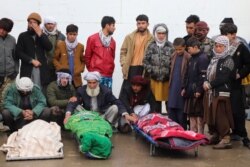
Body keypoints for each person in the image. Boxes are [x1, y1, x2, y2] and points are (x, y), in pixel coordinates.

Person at [220, 23, 250, 148]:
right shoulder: (219, 47)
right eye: (228, 34)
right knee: (223, 111)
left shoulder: (241, 47)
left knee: (238, 111)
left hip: (236, 85)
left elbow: (248, 64)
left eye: (233, 34)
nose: (233, 36)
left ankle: (243, 136)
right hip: (221, 85)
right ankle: (225, 135)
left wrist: (240, 75)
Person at [203, 36, 235, 149]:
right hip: (211, 93)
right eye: (216, 46)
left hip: (222, 93)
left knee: (220, 116)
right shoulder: (214, 59)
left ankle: (226, 138)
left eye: (220, 46)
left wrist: (210, 84)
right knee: (211, 115)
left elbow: (224, 77)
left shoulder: (229, 59)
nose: (217, 48)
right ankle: (216, 135)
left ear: (226, 47)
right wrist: (206, 81)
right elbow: (208, 73)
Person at [16, 12, 52, 93]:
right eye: (30, 22)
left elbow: (49, 47)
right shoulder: (23, 36)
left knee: (40, 89)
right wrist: (31, 60)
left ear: (38, 24)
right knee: (26, 89)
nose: (31, 24)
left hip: (41, 68)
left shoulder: (43, 35)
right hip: (27, 67)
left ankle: (40, 105)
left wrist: (40, 34)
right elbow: (18, 52)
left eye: (34, 22)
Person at [119, 14, 153, 95]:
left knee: (143, 92)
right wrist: (124, 63)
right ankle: (125, 107)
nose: (141, 25)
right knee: (127, 91)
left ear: (148, 24)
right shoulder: (129, 37)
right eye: (139, 23)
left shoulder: (152, 39)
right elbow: (123, 51)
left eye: (143, 23)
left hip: (144, 68)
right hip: (131, 67)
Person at [182, 37, 209, 134]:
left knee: (199, 114)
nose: (187, 51)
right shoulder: (191, 58)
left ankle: (200, 135)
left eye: (189, 48)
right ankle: (193, 134)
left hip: (198, 93)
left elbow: (203, 76)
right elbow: (187, 74)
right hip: (190, 91)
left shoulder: (203, 58)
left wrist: (199, 90)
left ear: (195, 47)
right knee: (191, 114)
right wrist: (184, 88)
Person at [143, 23, 173, 113]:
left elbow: (174, 61)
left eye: (163, 33)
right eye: (159, 33)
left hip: (167, 80)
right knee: (156, 102)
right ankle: (157, 122)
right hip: (154, 79)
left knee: (169, 102)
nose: (161, 36)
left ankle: (171, 123)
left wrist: (170, 72)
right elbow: (145, 61)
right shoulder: (151, 45)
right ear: (155, 33)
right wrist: (151, 71)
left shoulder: (171, 46)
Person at [85, 16, 116, 89]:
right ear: (107, 25)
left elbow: (112, 57)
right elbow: (87, 56)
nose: (114, 28)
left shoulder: (113, 42)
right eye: (113, 25)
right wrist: (92, 71)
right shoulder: (92, 38)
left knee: (106, 98)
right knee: (94, 98)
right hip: (95, 75)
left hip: (108, 75)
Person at [168, 38, 190, 129]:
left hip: (181, 87)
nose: (178, 51)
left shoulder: (188, 57)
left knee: (181, 110)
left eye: (180, 49)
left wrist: (185, 87)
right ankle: (173, 130)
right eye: (176, 49)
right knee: (171, 108)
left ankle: (182, 130)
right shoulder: (173, 56)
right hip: (173, 86)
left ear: (185, 47)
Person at [53, 24, 85, 88]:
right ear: (66, 34)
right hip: (64, 78)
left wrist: (80, 69)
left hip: (76, 78)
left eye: (74, 34)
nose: (72, 36)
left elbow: (83, 61)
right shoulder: (60, 45)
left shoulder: (80, 46)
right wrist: (60, 69)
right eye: (70, 34)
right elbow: (55, 59)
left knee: (77, 96)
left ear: (77, 34)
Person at [0, 18, 19, 110]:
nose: (1, 31)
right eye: (0, 28)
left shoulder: (12, 40)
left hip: (10, 76)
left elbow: (15, 57)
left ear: (9, 30)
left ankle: (5, 121)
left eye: (4, 30)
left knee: (7, 99)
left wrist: (16, 71)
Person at [42, 16, 65, 82]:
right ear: (45, 24)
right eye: (48, 24)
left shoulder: (61, 36)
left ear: (55, 25)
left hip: (56, 66)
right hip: (44, 65)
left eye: (52, 24)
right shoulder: (41, 35)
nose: (50, 26)